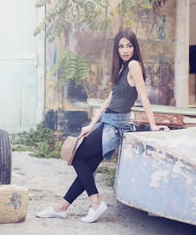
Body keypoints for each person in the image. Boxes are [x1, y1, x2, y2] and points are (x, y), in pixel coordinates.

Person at [36, 28, 169, 223]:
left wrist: (153, 125)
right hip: (107, 121)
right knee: (87, 166)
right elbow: (110, 98)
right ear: (116, 49)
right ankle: (62, 207)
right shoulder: (122, 67)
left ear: (135, 47)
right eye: (121, 46)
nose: (125, 50)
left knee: (78, 156)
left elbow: (143, 96)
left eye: (129, 45)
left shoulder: (134, 65)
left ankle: (96, 203)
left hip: (116, 125)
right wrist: (92, 125)